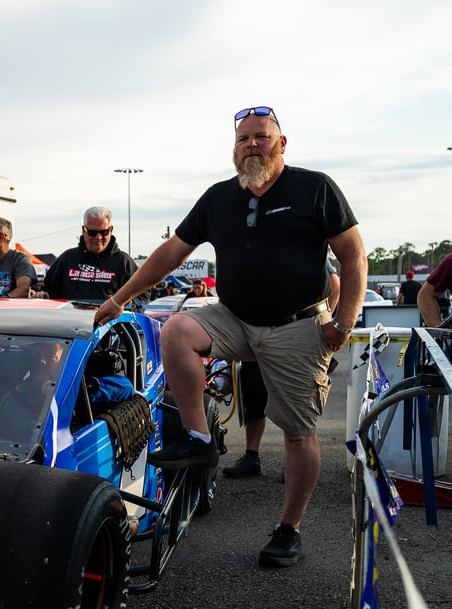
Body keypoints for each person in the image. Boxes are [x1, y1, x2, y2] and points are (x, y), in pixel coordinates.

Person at [94, 105, 367, 568]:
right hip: (235, 318)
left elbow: (353, 256)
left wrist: (343, 321)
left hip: (297, 325)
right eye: (244, 139)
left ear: (282, 144)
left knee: (299, 435)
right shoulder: (219, 197)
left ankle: (289, 527)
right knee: (177, 329)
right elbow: (170, 254)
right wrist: (120, 298)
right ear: (234, 149)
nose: (252, 145)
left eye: (262, 136)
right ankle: (200, 442)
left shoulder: (314, 187)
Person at [222, 263, 342, 479]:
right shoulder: (256, 248)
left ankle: (294, 463)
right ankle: (252, 457)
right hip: (257, 335)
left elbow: (335, 284)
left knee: (293, 403)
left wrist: (324, 324)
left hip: (293, 337)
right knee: (253, 399)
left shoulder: (304, 246)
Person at [41, 206, 143, 303]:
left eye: (104, 232)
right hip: (71, 319)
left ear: (111, 230)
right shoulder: (67, 258)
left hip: (110, 320)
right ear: (83, 230)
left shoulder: (124, 261)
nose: (98, 237)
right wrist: (41, 294)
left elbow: (143, 295)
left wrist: (125, 302)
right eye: (92, 232)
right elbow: (47, 290)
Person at [418, 253, 452, 326]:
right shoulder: (450, 261)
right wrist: (438, 333)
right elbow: (425, 296)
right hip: (444, 304)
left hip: (444, 304)